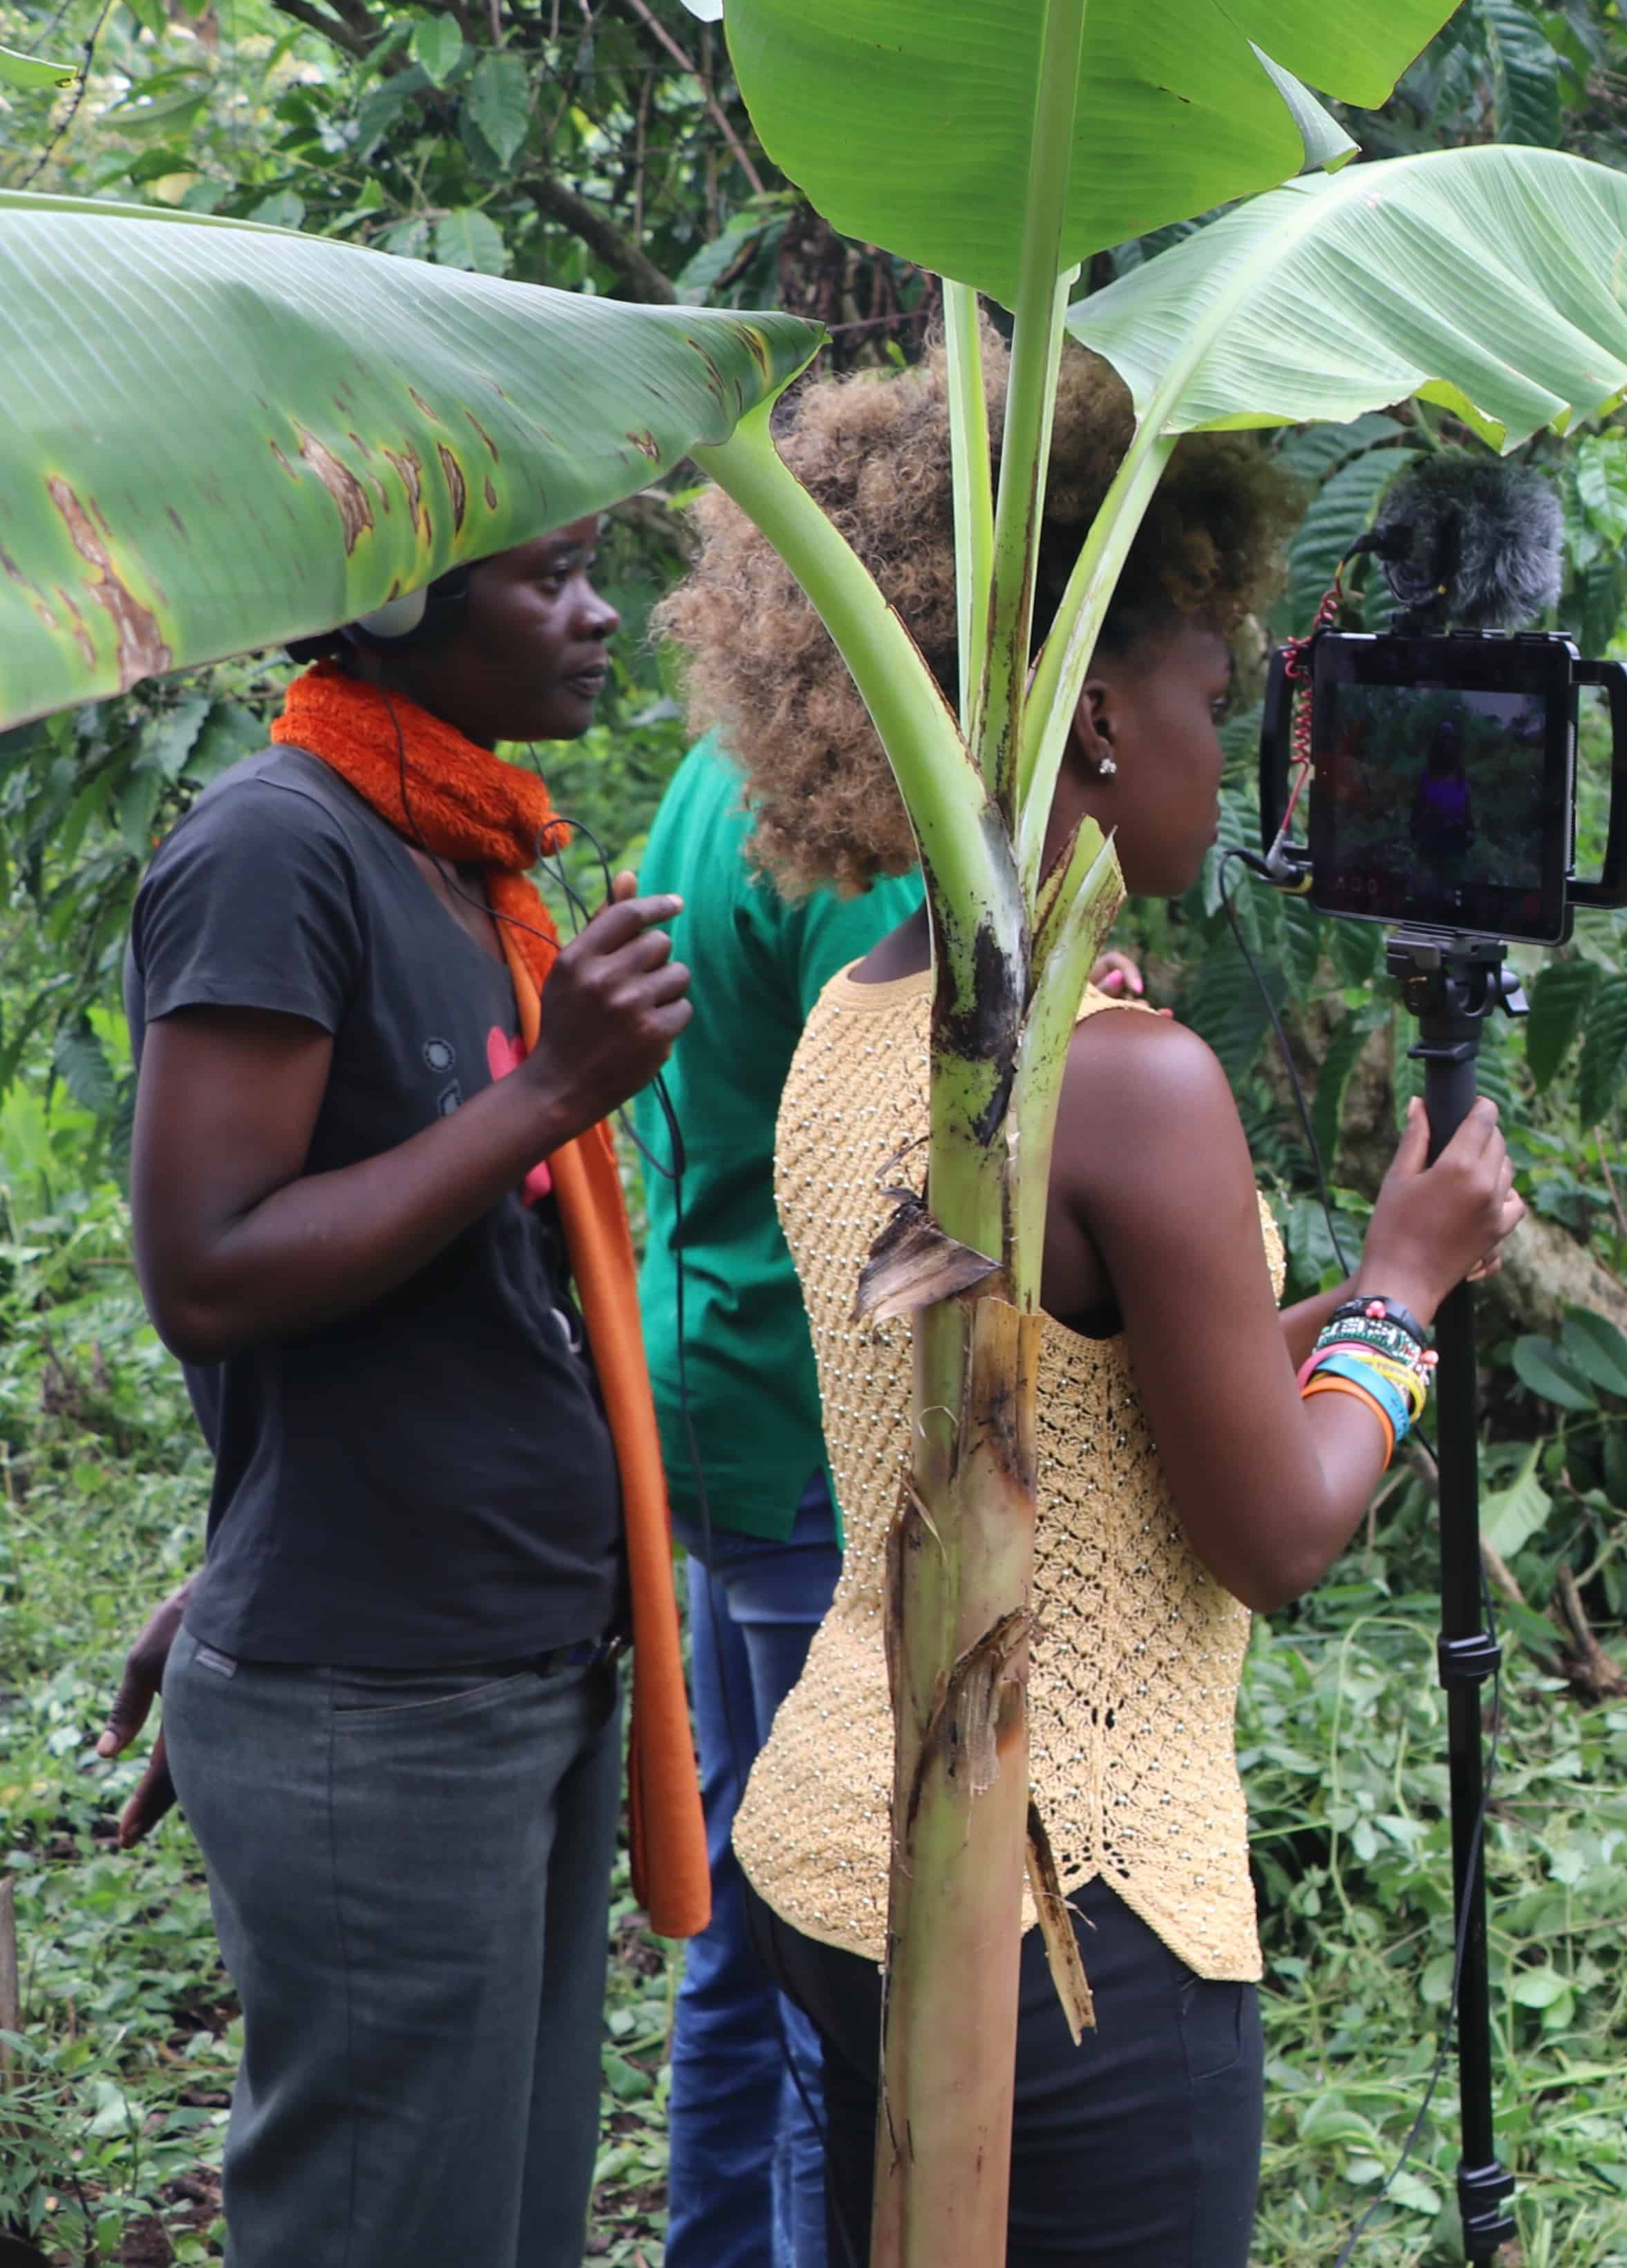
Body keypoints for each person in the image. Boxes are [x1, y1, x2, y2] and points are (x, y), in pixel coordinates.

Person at [659, 350, 1525, 2267]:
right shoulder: (1126, 1082)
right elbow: (1280, 1530)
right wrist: (1398, 1293)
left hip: (843, 1850)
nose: (1243, 750)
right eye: (1220, 698)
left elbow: (1046, 1397)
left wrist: (1322, 1333)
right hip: (1068, 1924)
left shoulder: (856, 1020)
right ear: (1107, 720)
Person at [110, 518, 700, 2262]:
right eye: (550, 577)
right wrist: (555, 1090)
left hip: (513, 1664)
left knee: (501, 2228)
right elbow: (206, 1272)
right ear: (394, 603)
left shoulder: (462, 850)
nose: (599, 615)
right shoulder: (275, 851)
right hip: (386, 1708)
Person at [638, 727, 926, 2268]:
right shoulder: (862, 822)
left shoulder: (733, 754)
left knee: (749, 1922)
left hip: (717, 1374)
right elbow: (892, 1170)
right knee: (826, 1940)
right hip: (804, 1418)